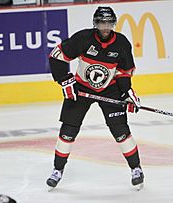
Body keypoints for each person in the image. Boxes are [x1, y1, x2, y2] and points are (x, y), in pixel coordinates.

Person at [46, 6, 144, 189]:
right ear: (95, 23)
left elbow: (123, 72)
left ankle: (136, 168)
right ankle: (57, 170)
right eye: (101, 22)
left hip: (110, 90)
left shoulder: (121, 43)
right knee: (68, 131)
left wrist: (126, 93)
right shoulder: (84, 38)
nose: (106, 27)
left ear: (114, 23)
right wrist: (66, 81)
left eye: (109, 23)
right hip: (81, 88)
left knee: (121, 131)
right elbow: (56, 56)